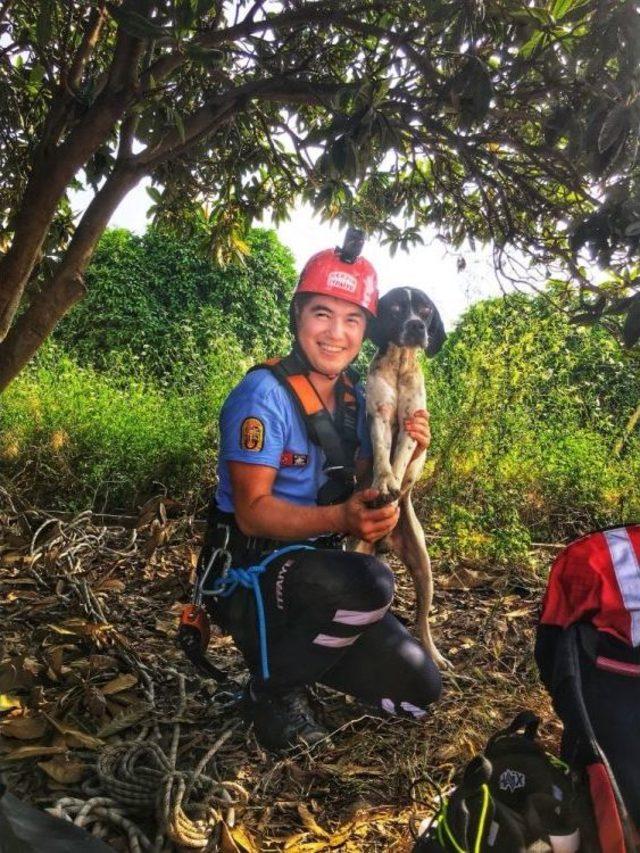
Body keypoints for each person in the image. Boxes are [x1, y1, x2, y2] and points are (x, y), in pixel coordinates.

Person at [201, 235, 442, 751]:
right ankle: (273, 690)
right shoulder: (263, 395)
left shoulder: (358, 395)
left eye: (352, 319)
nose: (336, 333)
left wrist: (413, 447)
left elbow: (364, 480)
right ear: (297, 317)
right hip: (253, 572)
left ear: (368, 330)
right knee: (372, 584)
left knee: (421, 688)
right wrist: (343, 520)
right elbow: (251, 513)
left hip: (324, 573)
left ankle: (306, 654)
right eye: (321, 314)